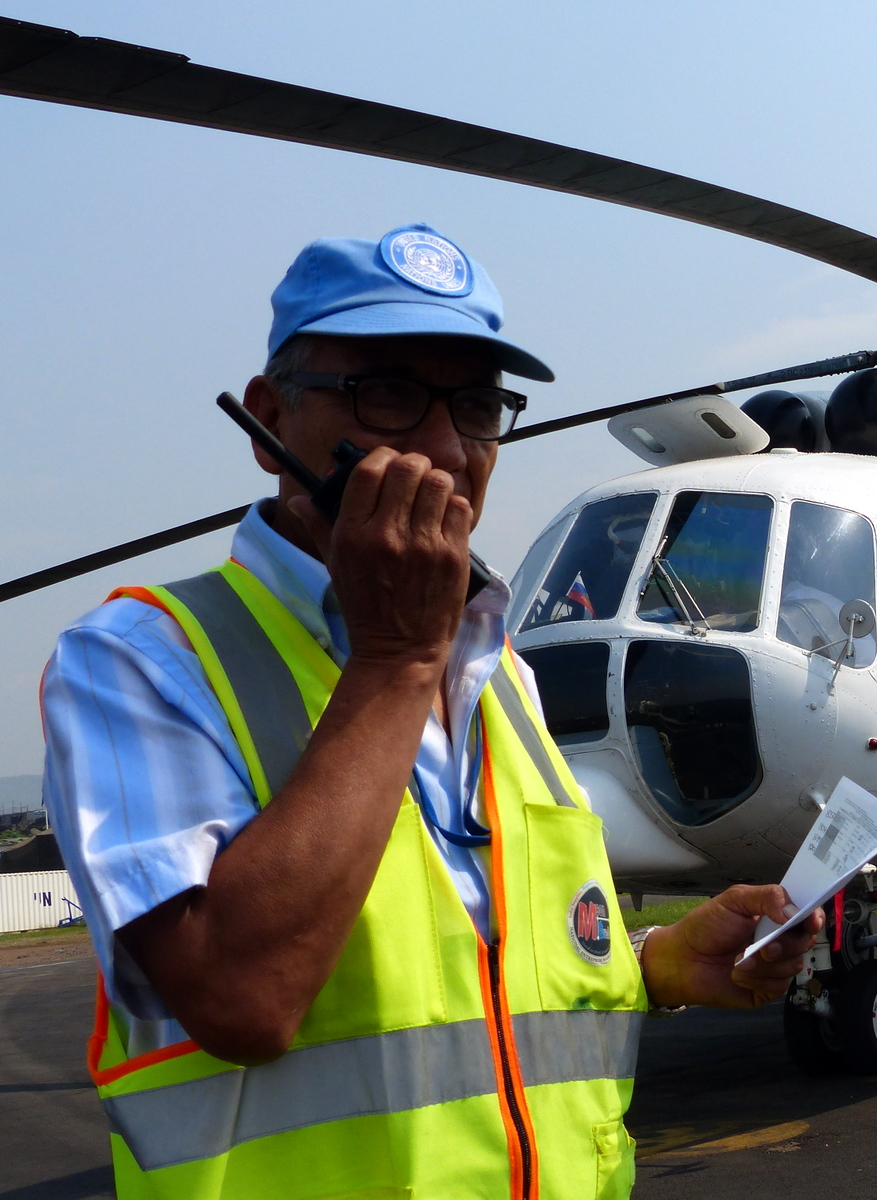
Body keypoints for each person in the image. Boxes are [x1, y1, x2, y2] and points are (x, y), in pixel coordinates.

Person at [41, 223, 821, 1200]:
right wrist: (397, 657)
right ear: (268, 418)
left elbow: (470, 970)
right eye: (388, 393)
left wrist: (655, 964)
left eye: (479, 406)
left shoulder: (502, 676)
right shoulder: (141, 660)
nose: (448, 449)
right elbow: (242, 1001)